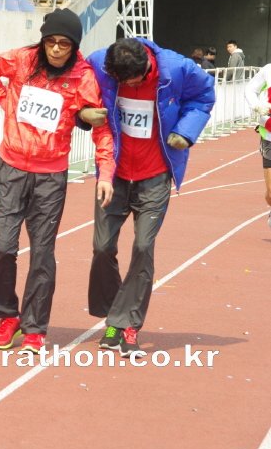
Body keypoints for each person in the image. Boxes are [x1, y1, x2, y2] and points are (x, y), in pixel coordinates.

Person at [0, 8, 114, 354]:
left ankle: (35, 327)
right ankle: (8, 315)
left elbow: (100, 127)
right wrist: (6, 102)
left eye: (63, 44)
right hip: (12, 168)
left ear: (74, 47)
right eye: (50, 41)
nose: (55, 49)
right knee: (3, 246)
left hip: (51, 176)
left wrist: (105, 171)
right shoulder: (22, 60)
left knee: (42, 252)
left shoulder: (83, 76)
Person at [80, 38, 215, 356]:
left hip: (154, 175)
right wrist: (82, 113)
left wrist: (186, 131)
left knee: (143, 248)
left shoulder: (178, 69)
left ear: (147, 69)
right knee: (102, 247)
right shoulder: (98, 63)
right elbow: (78, 92)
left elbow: (204, 96)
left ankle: (127, 325)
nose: (127, 86)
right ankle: (115, 314)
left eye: (133, 81)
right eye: (121, 82)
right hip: (114, 173)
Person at [244, 64, 271, 225]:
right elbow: (250, 90)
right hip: (269, 135)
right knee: (270, 194)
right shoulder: (268, 70)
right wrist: (257, 106)